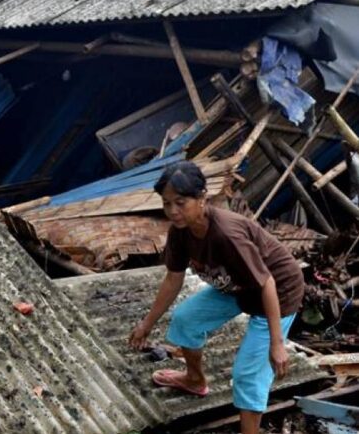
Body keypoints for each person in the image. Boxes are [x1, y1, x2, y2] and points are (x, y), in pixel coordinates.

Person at [128, 160, 304, 434]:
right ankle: (194, 380)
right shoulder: (180, 231)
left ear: (202, 199)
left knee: (248, 375)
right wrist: (146, 324)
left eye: (181, 202)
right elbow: (173, 279)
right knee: (186, 319)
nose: (173, 211)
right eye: (166, 203)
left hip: (276, 292)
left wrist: (277, 344)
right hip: (236, 287)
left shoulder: (226, 235)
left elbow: (267, 282)